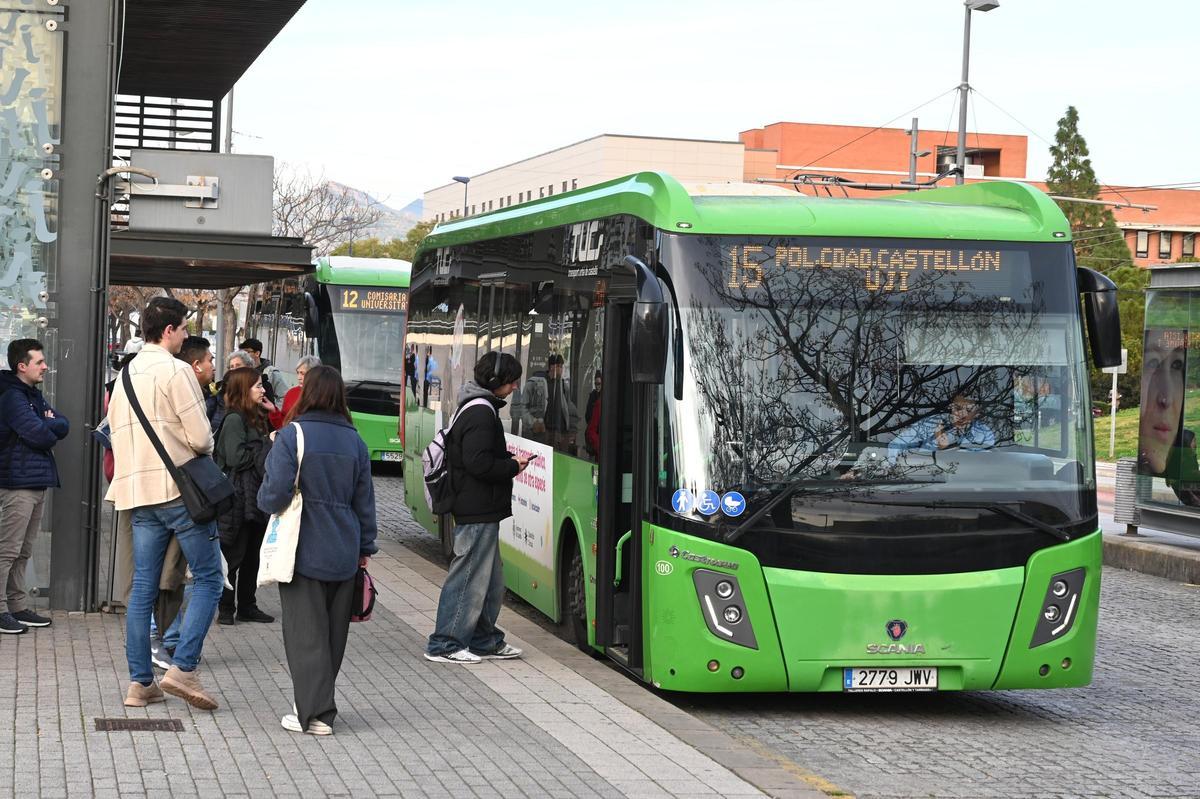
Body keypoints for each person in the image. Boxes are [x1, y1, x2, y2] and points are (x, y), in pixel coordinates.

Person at [106, 296, 224, 710]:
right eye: (184, 329)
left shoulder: (125, 375)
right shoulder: (176, 371)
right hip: (179, 493)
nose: (186, 337)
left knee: (141, 589)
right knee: (209, 578)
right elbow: (200, 438)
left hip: (137, 494)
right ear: (170, 330)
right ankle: (182, 668)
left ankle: (141, 683)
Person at [257, 366, 378, 736]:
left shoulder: (293, 435)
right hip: (343, 548)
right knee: (331, 635)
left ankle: (315, 713)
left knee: (304, 634)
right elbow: (365, 501)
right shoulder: (355, 441)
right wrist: (365, 546)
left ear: (307, 393)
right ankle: (313, 704)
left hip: (303, 546)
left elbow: (274, 494)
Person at [426, 351, 531, 664]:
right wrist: (512, 465)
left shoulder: (477, 407)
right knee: (469, 577)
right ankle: (444, 643)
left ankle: (485, 639)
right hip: (477, 508)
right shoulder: (481, 413)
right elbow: (478, 463)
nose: (514, 387)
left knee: (490, 580)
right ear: (497, 381)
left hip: (481, 507)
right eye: (511, 382)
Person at [0, 339, 69, 635]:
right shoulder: (12, 397)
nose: (45, 366)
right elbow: (41, 435)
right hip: (17, 483)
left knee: (23, 551)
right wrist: (45, 423)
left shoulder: (32, 395)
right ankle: (1, 610)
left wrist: (46, 422)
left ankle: (16, 606)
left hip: (34, 481)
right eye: (39, 362)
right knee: (7, 550)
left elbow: (63, 424)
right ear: (22, 366)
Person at [214, 367, 275, 626]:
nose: (262, 390)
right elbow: (236, 458)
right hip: (237, 496)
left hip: (255, 496)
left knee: (253, 554)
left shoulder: (256, 416)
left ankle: (248, 605)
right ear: (243, 390)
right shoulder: (234, 420)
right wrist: (265, 443)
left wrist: (270, 418)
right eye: (258, 386)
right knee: (234, 553)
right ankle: (226, 608)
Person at [889, 392, 996, 461]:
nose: (962, 414)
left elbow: (981, 461)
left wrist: (944, 449)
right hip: (928, 479)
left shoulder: (984, 432)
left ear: (976, 413)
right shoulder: (929, 423)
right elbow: (895, 445)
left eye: (968, 410)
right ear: (951, 407)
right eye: (958, 408)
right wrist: (891, 469)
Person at [240, 337, 288, 405]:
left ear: (257, 353)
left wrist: (273, 411)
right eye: (241, 352)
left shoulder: (271, 372)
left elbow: (284, 396)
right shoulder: (241, 372)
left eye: (247, 352)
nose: (243, 355)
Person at [281, 355, 320, 422]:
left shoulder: (323, 394)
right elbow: (283, 422)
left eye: (303, 373)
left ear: (314, 374)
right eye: (298, 373)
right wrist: (273, 410)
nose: (299, 377)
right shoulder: (291, 393)